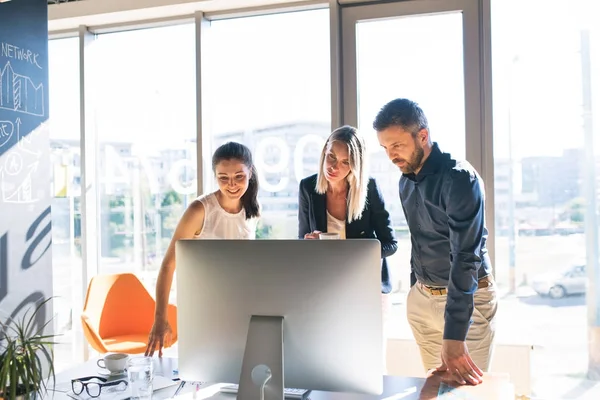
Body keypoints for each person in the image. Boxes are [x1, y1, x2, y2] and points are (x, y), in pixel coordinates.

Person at [373, 98, 497, 386]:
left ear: (423, 136)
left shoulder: (459, 178)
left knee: (464, 393)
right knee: (435, 391)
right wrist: (418, 288)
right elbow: (419, 241)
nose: (391, 155)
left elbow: (466, 257)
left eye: (397, 145)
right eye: (386, 148)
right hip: (423, 301)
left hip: (468, 304)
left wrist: (454, 333)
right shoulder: (405, 181)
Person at [145, 142, 260, 357]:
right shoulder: (200, 210)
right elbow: (169, 265)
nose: (232, 184)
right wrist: (160, 318)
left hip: (239, 306)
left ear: (250, 172)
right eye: (223, 178)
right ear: (215, 176)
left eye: (239, 176)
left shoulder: (253, 209)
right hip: (203, 308)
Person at [298, 125, 398, 366]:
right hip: (326, 287)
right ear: (324, 151)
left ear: (356, 165)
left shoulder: (369, 188)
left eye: (345, 162)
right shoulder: (308, 188)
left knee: (369, 362)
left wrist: (356, 252)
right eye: (332, 157)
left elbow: (391, 243)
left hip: (368, 287)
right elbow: (301, 239)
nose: (334, 167)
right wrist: (309, 243)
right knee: (331, 361)